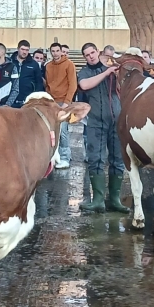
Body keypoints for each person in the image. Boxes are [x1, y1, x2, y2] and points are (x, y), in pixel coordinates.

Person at [77, 43, 129, 214]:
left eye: (92, 52)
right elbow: (84, 85)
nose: (90, 56)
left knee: (118, 159)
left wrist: (116, 69)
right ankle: (98, 199)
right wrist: (106, 73)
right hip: (96, 121)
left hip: (116, 119)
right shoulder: (85, 72)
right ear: (84, 57)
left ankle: (114, 199)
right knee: (96, 158)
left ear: (98, 52)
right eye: (87, 55)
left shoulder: (112, 67)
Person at [45, 43, 78, 169]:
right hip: (52, 102)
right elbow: (48, 85)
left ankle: (65, 157)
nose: (55, 53)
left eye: (57, 50)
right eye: (53, 51)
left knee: (63, 130)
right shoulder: (48, 66)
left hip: (63, 102)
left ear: (61, 52)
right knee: (51, 130)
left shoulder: (69, 64)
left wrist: (66, 103)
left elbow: (73, 85)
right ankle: (53, 156)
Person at [8, 40, 44, 108]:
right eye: (22, 49)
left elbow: (39, 83)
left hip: (27, 102)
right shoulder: (9, 62)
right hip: (10, 101)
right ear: (18, 48)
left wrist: (35, 99)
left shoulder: (34, 64)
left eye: (27, 50)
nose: (24, 52)